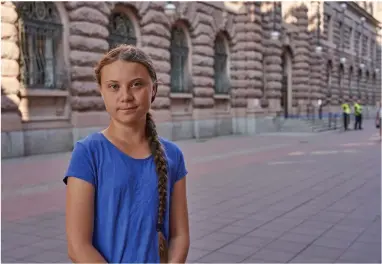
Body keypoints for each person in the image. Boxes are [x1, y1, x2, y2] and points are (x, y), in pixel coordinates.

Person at [64, 45, 190, 263]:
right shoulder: (88, 153)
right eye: (114, 86)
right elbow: (78, 246)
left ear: (154, 89)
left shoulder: (173, 155)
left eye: (137, 84)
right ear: (102, 92)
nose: (126, 96)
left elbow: (180, 235)